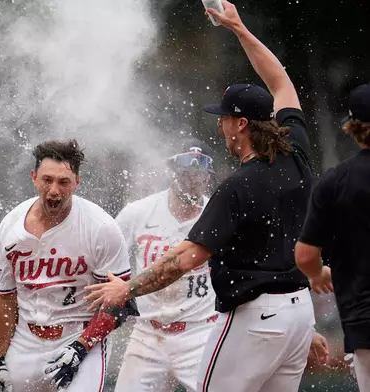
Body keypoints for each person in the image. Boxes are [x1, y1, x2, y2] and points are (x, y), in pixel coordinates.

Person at [85, 2, 318, 391]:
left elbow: (186, 257)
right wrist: (239, 29)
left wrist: (127, 288)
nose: (221, 125)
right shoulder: (297, 151)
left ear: (241, 125)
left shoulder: (236, 186)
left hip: (255, 319)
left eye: (224, 117)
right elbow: (280, 82)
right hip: (299, 313)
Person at [0, 139, 137, 392]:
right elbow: (5, 298)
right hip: (25, 340)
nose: (54, 190)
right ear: (34, 178)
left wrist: (82, 346)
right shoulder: (9, 228)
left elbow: (120, 301)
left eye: (63, 181)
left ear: (77, 182)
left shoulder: (100, 227)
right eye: (47, 180)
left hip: (78, 335)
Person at [113, 145, 217, 392]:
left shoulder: (218, 212)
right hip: (148, 333)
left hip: (201, 331)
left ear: (207, 176)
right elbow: (108, 259)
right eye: (185, 173)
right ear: (171, 172)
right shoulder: (138, 212)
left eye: (199, 174)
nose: (193, 180)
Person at [295, 83, 370, 391]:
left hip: (365, 320)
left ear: (351, 127)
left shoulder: (336, 181)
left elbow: (305, 255)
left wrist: (317, 274)